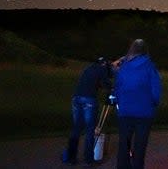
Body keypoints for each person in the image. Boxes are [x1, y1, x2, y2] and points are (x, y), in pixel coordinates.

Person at [113, 39, 162, 169]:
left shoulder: (125, 66)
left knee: (124, 143)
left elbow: (117, 87)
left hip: (125, 111)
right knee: (140, 146)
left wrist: (119, 102)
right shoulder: (150, 66)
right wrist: (153, 103)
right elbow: (156, 90)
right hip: (145, 113)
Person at [63, 56, 112, 166]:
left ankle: (71, 157)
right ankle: (89, 159)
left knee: (76, 128)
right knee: (90, 129)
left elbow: (93, 83)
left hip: (76, 98)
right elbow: (106, 84)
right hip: (89, 100)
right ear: (104, 64)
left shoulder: (89, 68)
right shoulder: (102, 69)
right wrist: (112, 87)